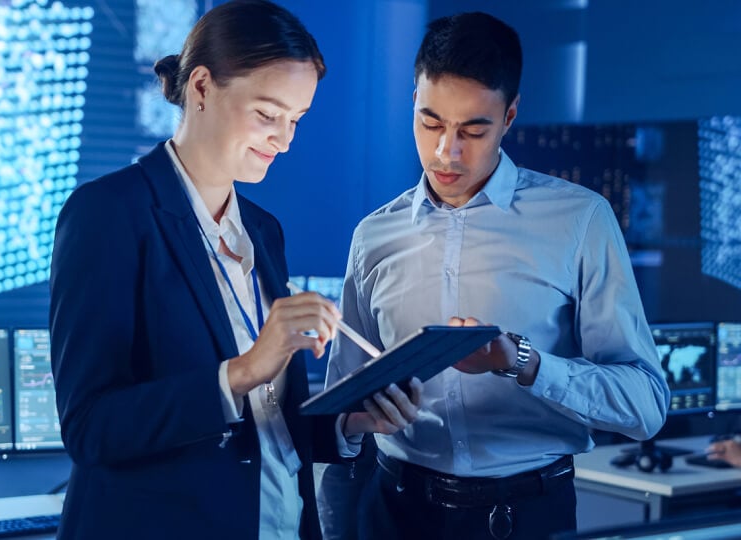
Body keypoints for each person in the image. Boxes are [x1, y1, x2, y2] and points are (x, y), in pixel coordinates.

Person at [49, 1, 420, 539]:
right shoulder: (107, 215)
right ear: (200, 88)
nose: (285, 140)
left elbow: (265, 425)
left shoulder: (263, 231)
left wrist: (349, 423)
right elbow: (91, 428)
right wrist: (243, 370)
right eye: (268, 115)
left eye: (296, 120)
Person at [320, 11, 669, 540]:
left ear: (509, 117)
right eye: (430, 122)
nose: (446, 152)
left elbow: (645, 406)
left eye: (472, 130)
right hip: (391, 513)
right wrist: (353, 422)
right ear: (412, 100)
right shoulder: (373, 236)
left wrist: (523, 363)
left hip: (526, 517)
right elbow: (340, 413)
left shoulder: (579, 220)